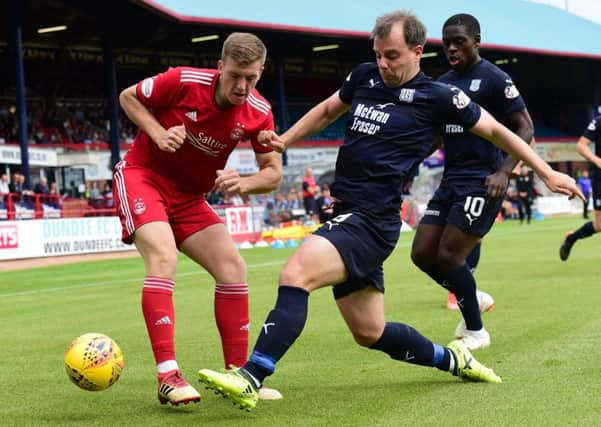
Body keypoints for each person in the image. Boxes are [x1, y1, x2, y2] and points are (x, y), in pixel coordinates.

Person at [197, 11, 582, 411]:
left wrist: (547, 171)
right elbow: (329, 110)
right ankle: (455, 359)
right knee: (369, 331)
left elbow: (499, 131)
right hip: (347, 213)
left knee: (296, 274)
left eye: (392, 56)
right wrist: (285, 140)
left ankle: (251, 376)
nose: (383, 64)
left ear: (417, 51)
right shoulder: (364, 76)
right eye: (379, 54)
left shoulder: (440, 96)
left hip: (372, 219)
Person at [114, 32, 283, 406]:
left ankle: (238, 375)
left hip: (190, 197)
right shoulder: (183, 81)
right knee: (163, 257)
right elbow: (128, 96)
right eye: (234, 75)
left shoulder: (259, 110)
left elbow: (272, 172)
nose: (242, 86)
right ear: (220, 67)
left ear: (261, 72)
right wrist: (157, 133)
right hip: (143, 176)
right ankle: (167, 376)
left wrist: (246, 182)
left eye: (251, 78)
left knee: (233, 267)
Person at [411, 13, 534, 349]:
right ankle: (473, 295)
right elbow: (436, 134)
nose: (451, 47)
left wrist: (505, 170)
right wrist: (407, 165)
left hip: (483, 181)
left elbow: (526, 128)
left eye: (459, 41)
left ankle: (475, 331)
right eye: (446, 42)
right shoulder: (444, 83)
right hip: (451, 181)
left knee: (450, 255)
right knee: (422, 253)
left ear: (476, 41)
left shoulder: (495, 79)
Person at [560, 114, 601, 260]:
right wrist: (597, 161)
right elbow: (581, 146)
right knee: (599, 225)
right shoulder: (599, 121)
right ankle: (571, 239)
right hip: (600, 179)